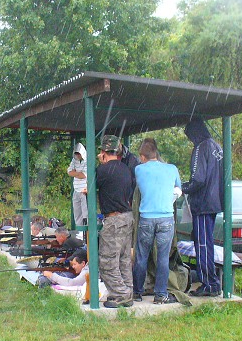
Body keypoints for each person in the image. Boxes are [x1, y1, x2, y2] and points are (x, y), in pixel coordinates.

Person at [132, 138, 182, 304]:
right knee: (162, 258)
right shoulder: (172, 168)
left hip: (146, 218)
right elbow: (178, 190)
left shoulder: (139, 169)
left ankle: (137, 292)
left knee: (141, 257)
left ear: (142, 156)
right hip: (166, 218)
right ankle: (160, 294)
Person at [181, 119, 224, 297]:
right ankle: (212, 282)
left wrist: (183, 188)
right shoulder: (217, 147)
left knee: (202, 244)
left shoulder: (201, 147)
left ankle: (209, 284)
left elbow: (198, 179)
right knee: (208, 243)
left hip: (203, 203)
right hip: (214, 202)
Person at [96, 134, 135, 308]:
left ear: (103, 152)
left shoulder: (103, 170)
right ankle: (128, 292)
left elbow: (91, 186)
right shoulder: (125, 169)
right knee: (124, 260)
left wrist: (101, 165)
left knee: (107, 261)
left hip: (113, 220)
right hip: (127, 217)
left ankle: (120, 294)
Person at [67, 142, 88, 227]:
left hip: (84, 190)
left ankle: (87, 231)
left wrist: (75, 173)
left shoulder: (87, 160)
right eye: (76, 154)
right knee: (77, 213)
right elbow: (69, 171)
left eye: (78, 154)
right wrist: (77, 174)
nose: (77, 155)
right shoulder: (74, 160)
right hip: (76, 189)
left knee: (86, 213)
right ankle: (79, 231)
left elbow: (83, 175)